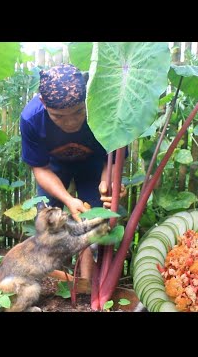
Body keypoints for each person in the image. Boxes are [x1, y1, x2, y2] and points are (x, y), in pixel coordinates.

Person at [19, 63, 126, 280]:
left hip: (93, 165)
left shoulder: (106, 109)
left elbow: (114, 154)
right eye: (59, 117)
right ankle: (54, 280)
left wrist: (109, 180)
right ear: (43, 103)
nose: (71, 123)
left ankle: (86, 285)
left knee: (94, 224)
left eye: (78, 113)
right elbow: (40, 168)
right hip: (53, 169)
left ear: (87, 100)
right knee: (47, 222)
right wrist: (68, 199)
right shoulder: (31, 118)